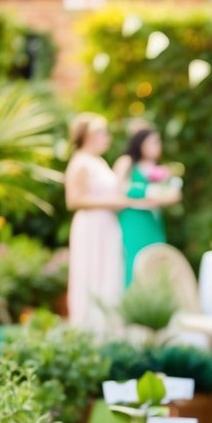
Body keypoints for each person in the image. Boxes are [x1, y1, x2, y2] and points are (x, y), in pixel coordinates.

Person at [64, 113, 137, 334]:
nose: (107, 137)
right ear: (88, 136)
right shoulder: (81, 163)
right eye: (102, 133)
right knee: (91, 272)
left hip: (106, 225)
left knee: (109, 272)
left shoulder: (99, 162)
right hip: (91, 226)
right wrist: (114, 201)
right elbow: (74, 200)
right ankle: (89, 327)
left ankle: (109, 326)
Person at [113, 127, 180, 284]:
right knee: (133, 259)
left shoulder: (161, 169)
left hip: (153, 220)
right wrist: (145, 193)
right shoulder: (127, 162)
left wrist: (157, 198)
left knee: (155, 259)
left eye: (158, 142)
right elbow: (117, 188)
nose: (156, 145)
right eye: (152, 142)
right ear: (140, 143)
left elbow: (174, 195)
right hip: (132, 219)